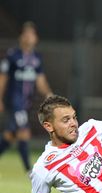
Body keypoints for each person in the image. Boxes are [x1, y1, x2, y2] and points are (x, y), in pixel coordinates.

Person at [0, 22, 52, 173]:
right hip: (14, 102)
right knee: (24, 131)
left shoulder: (37, 58)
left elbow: (41, 81)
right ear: (21, 37)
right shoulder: (13, 55)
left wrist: (49, 94)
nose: (29, 37)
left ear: (36, 38)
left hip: (26, 103)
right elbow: (3, 79)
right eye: (26, 34)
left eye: (32, 34)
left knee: (10, 136)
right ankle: (29, 169)